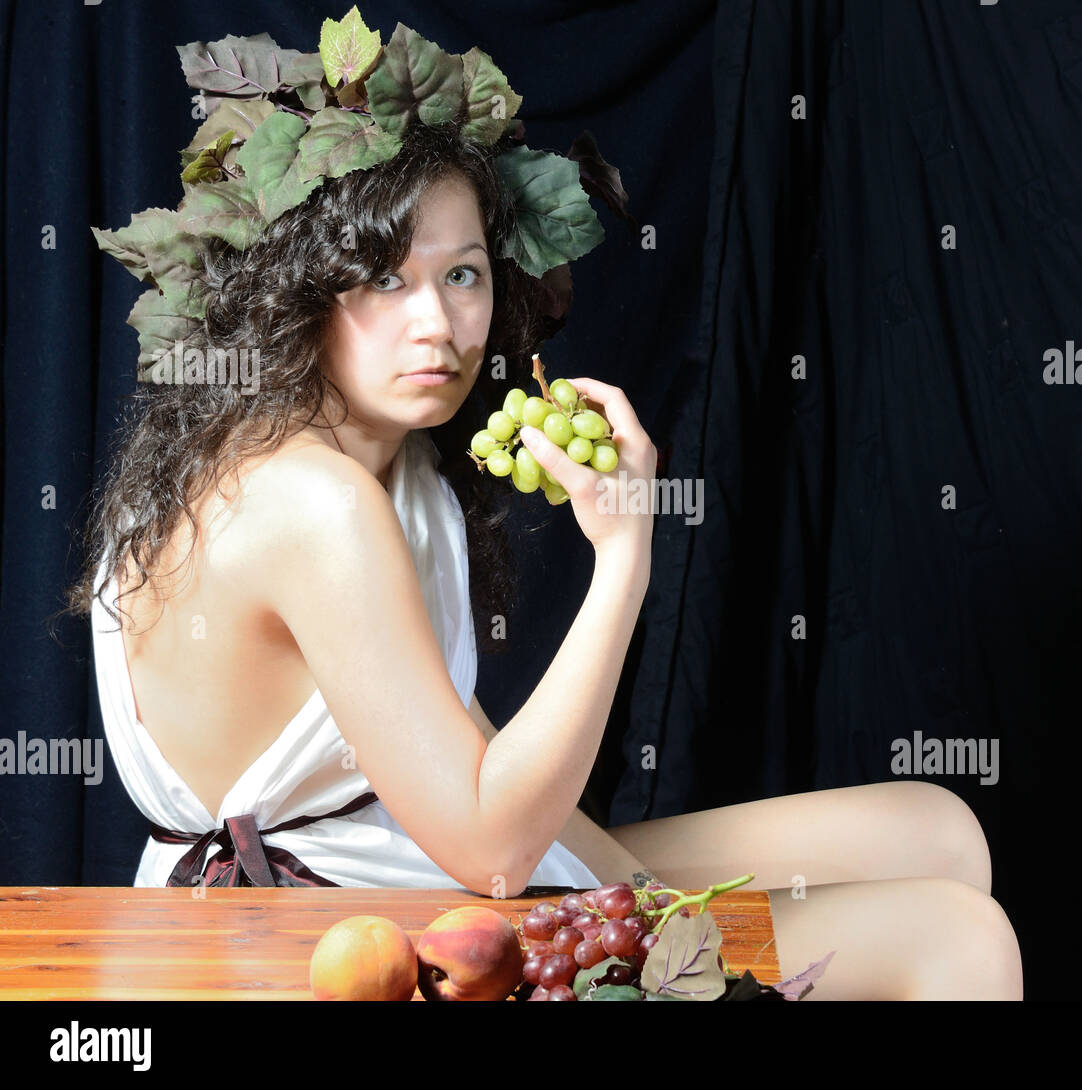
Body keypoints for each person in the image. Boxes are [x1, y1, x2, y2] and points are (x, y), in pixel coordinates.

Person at [69, 23, 1021, 1001]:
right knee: (954, 936)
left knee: (935, 828)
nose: (436, 321)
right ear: (300, 284)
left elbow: (468, 759)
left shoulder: (386, 468)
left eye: (463, 273)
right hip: (332, 926)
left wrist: (647, 904)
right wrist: (622, 562)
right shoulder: (313, 499)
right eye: (386, 277)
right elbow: (493, 853)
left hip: (417, 866)